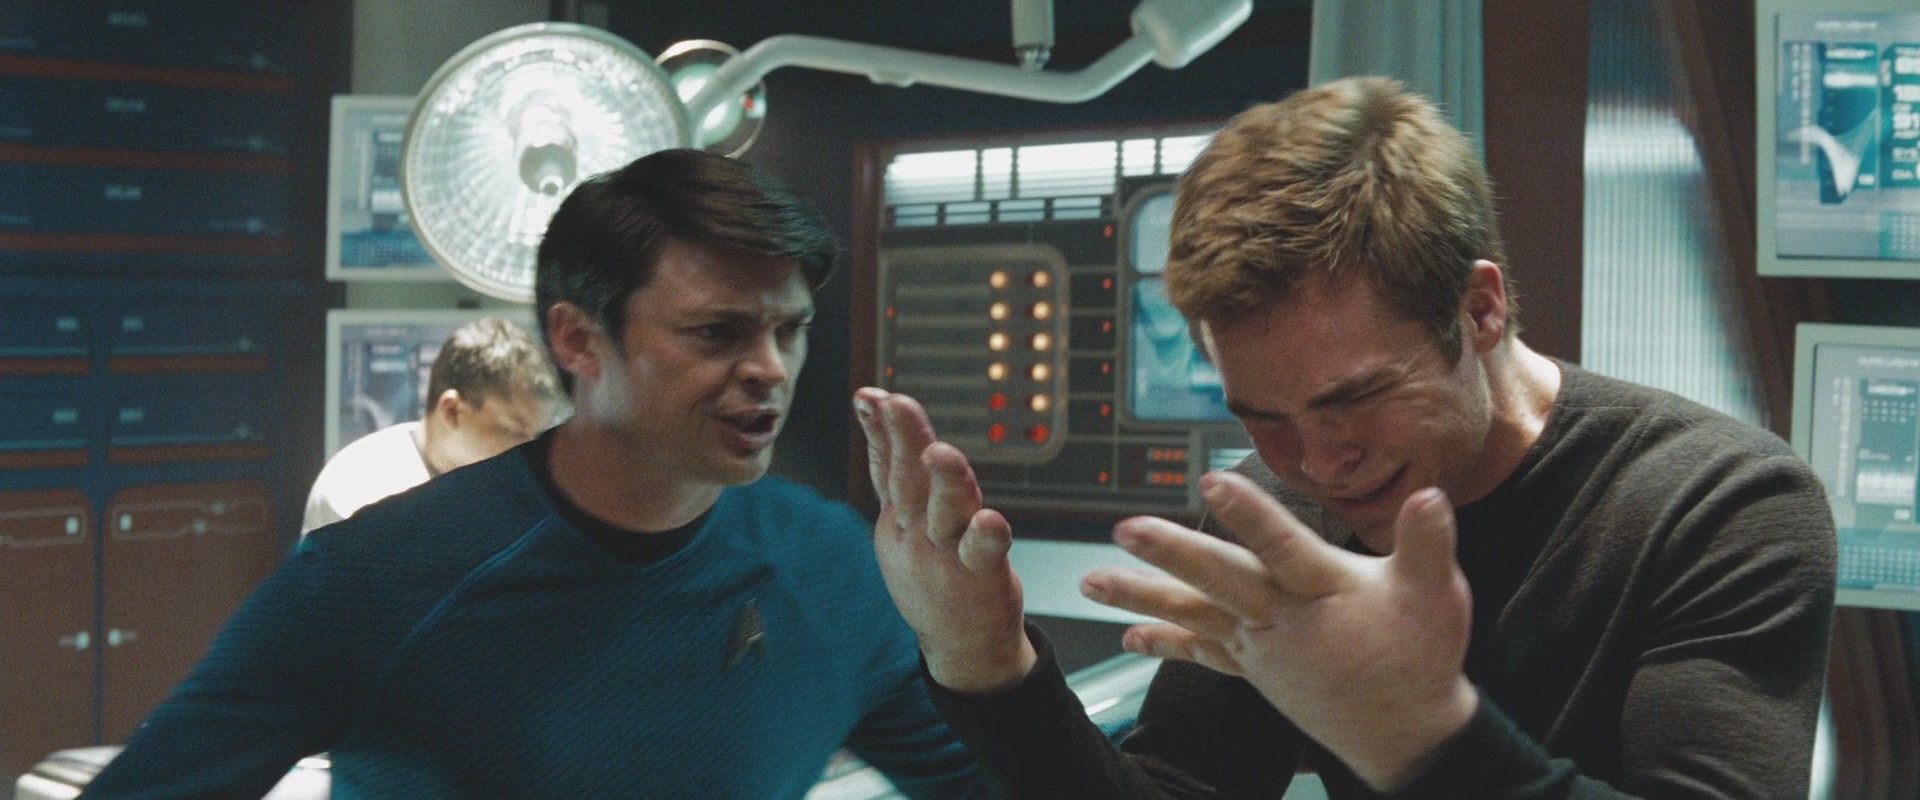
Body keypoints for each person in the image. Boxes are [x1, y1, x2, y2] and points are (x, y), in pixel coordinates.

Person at [858, 76, 1838, 798]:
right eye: (1264, 416)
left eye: (1358, 398)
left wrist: (1418, 729)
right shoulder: (1276, 512)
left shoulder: (1722, 505)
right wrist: (985, 663)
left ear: (1481, 308)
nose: (1319, 464)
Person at [81, 149, 987, 798]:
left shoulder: (831, 567)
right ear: (578, 339)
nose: (771, 369)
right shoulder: (379, 578)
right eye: (718, 331)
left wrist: (994, 653)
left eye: (789, 330)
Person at [301, 316, 562, 534]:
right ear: (451, 411)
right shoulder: (359, 487)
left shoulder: (505, 492)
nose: (529, 452)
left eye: (537, 437)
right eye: (513, 431)